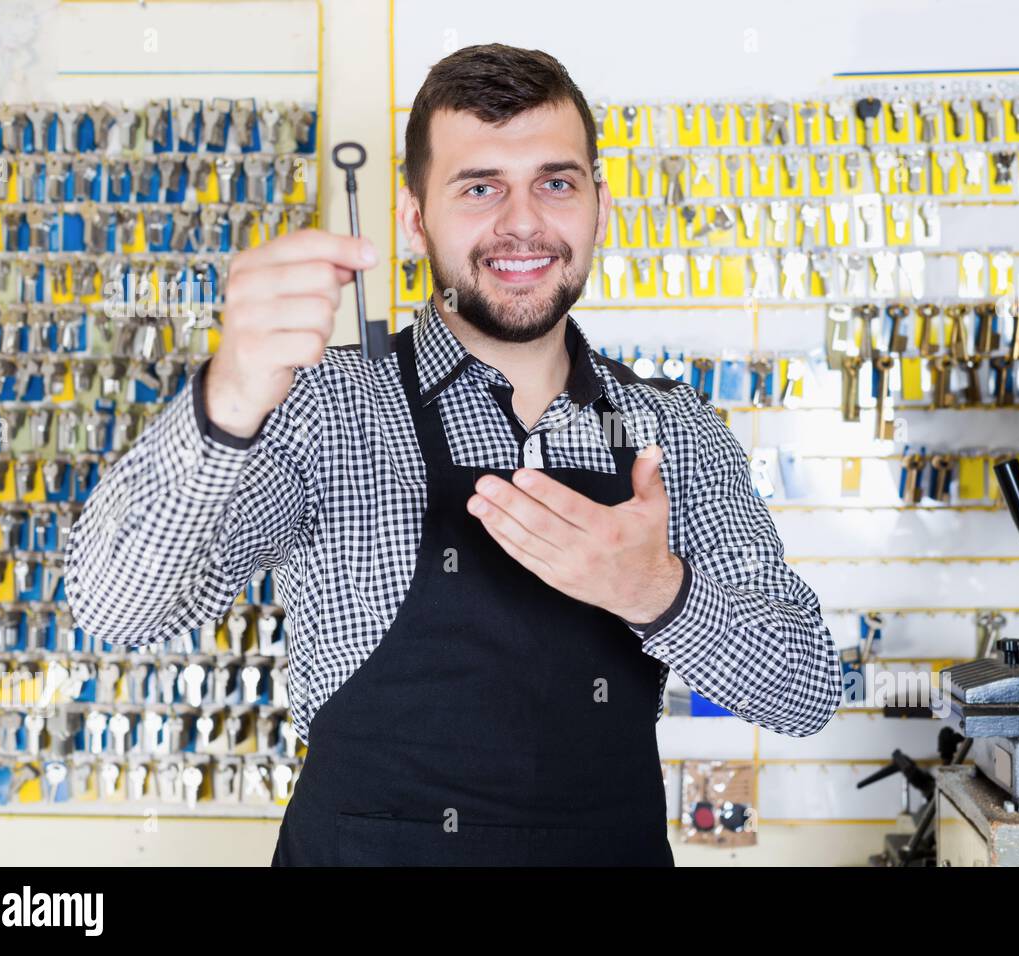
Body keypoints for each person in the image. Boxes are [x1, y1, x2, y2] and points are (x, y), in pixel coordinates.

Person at [65, 43, 841, 866]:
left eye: (556, 182)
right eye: (480, 188)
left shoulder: (669, 426)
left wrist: (656, 591)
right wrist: (225, 400)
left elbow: (804, 691)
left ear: (598, 207)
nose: (523, 223)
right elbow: (119, 611)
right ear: (413, 219)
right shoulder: (327, 408)